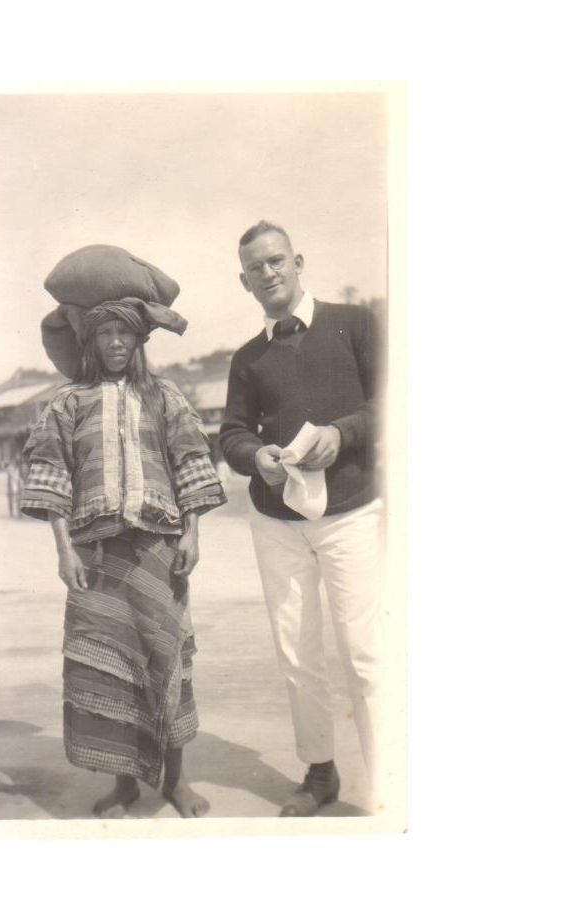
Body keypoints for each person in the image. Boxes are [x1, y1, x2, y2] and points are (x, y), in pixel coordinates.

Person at [20, 300, 226, 818]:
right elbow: (51, 475)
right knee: (108, 666)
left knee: (166, 657)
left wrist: (192, 534)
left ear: (139, 341)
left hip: (159, 550)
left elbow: (190, 462)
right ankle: (125, 784)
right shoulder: (68, 402)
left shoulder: (164, 397)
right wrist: (64, 551)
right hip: (96, 557)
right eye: (105, 333)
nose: (115, 342)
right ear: (91, 342)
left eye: (125, 333)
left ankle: (176, 781)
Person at [219, 221, 383, 816]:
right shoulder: (247, 359)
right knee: (297, 651)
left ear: (298, 262)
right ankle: (319, 772)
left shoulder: (354, 324)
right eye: (255, 268)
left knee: (366, 651)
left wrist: (344, 433)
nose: (268, 273)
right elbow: (232, 432)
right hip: (276, 519)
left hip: (352, 512)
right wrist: (253, 457)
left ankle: (390, 779)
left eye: (276, 260)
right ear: (244, 282)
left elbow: (394, 400)